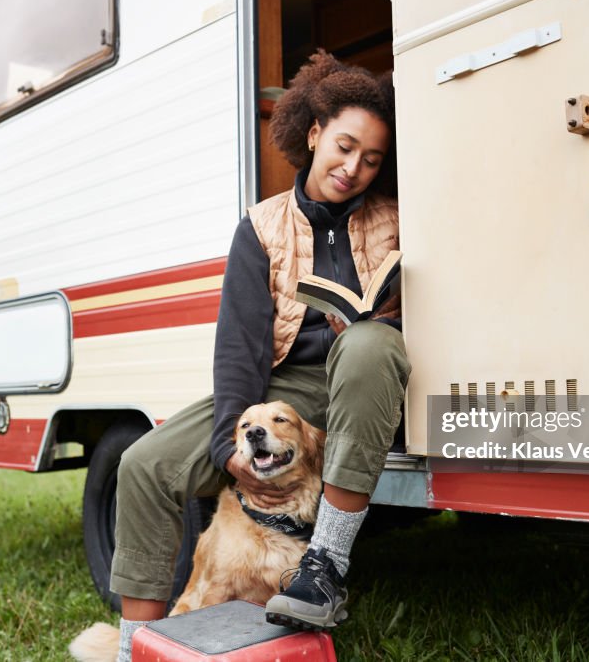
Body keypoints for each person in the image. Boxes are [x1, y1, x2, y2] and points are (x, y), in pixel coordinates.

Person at [109, 50, 410, 659]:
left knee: (370, 341)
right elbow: (240, 350)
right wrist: (227, 444)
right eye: (345, 147)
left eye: (372, 159)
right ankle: (130, 646)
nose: (353, 168)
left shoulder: (401, 220)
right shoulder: (261, 226)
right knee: (144, 464)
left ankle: (322, 566)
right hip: (286, 390)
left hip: (369, 380)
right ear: (316, 132)